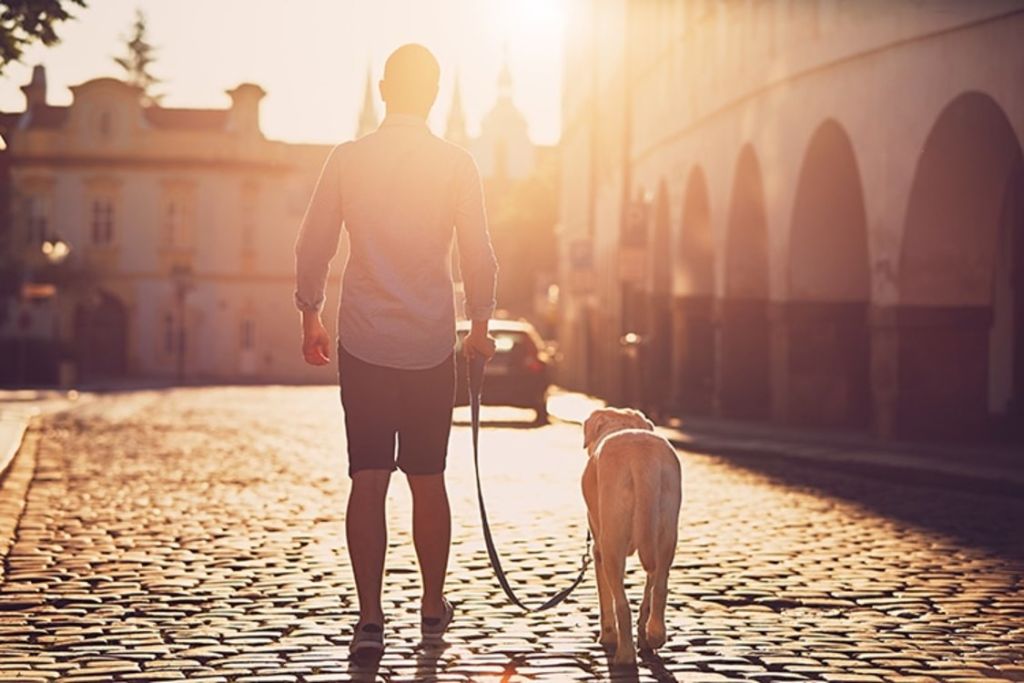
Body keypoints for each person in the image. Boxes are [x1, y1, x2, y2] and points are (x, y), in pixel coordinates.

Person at [293, 43, 498, 657]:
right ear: (433, 94)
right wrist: (480, 324)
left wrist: (310, 315)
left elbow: (314, 242)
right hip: (432, 344)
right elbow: (479, 251)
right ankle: (433, 607)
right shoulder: (456, 164)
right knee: (429, 480)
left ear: (385, 89)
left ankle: (371, 615)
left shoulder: (348, 159)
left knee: (369, 477)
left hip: (365, 340)